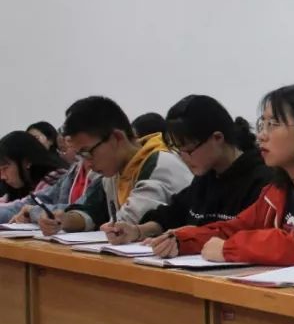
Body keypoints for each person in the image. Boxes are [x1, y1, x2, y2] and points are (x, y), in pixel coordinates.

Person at [159, 84, 294, 265]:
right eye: (263, 124)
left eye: (273, 125)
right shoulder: (276, 191)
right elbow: (233, 229)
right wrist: (182, 240)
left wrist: (229, 249)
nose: (261, 135)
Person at [98, 95, 274, 248]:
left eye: (188, 149)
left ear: (217, 138)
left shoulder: (263, 180)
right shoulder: (206, 177)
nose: (183, 157)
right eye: (178, 149)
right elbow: (172, 214)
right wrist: (137, 231)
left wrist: (189, 237)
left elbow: (247, 236)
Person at [39, 97, 192, 235]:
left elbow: (127, 226)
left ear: (117, 138)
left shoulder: (159, 165)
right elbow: (93, 211)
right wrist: (63, 220)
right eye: (81, 156)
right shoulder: (114, 169)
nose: (88, 164)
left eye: (88, 152)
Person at [7, 134, 98, 224]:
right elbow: (37, 200)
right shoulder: (73, 171)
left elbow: (83, 209)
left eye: (5, 168)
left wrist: (33, 211)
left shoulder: (101, 173)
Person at [0, 132, 68, 214]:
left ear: (27, 161)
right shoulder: (22, 184)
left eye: (5, 168)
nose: (2, 176)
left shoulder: (54, 179)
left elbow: (23, 208)